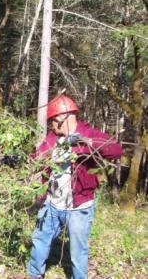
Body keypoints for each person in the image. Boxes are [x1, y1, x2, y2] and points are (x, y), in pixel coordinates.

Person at [27, 94, 123, 279]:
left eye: (53, 121)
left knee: (78, 252)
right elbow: (38, 157)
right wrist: (23, 160)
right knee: (40, 239)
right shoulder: (53, 137)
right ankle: (34, 274)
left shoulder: (89, 133)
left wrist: (84, 144)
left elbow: (116, 151)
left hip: (79, 207)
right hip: (52, 203)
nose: (52, 126)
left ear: (62, 118)